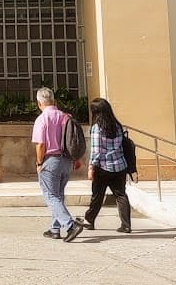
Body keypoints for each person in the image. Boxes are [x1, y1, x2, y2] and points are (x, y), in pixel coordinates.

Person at [31, 86, 83, 242]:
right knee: (58, 195)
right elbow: (72, 140)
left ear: (39, 103)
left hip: (50, 160)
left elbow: (40, 144)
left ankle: (70, 225)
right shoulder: (65, 116)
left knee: (51, 196)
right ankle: (55, 228)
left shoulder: (42, 119)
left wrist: (39, 162)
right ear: (53, 100)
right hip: (66, 160)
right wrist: (76, 158)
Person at [81, 97, 131, 233]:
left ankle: (89, 220)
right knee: (121, 195)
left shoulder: (97, 128)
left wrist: (91, 167)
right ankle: (126, 225)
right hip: (119, 166)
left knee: (97, 196)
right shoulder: (117, 126)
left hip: (103, 167)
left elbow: (96, 150)